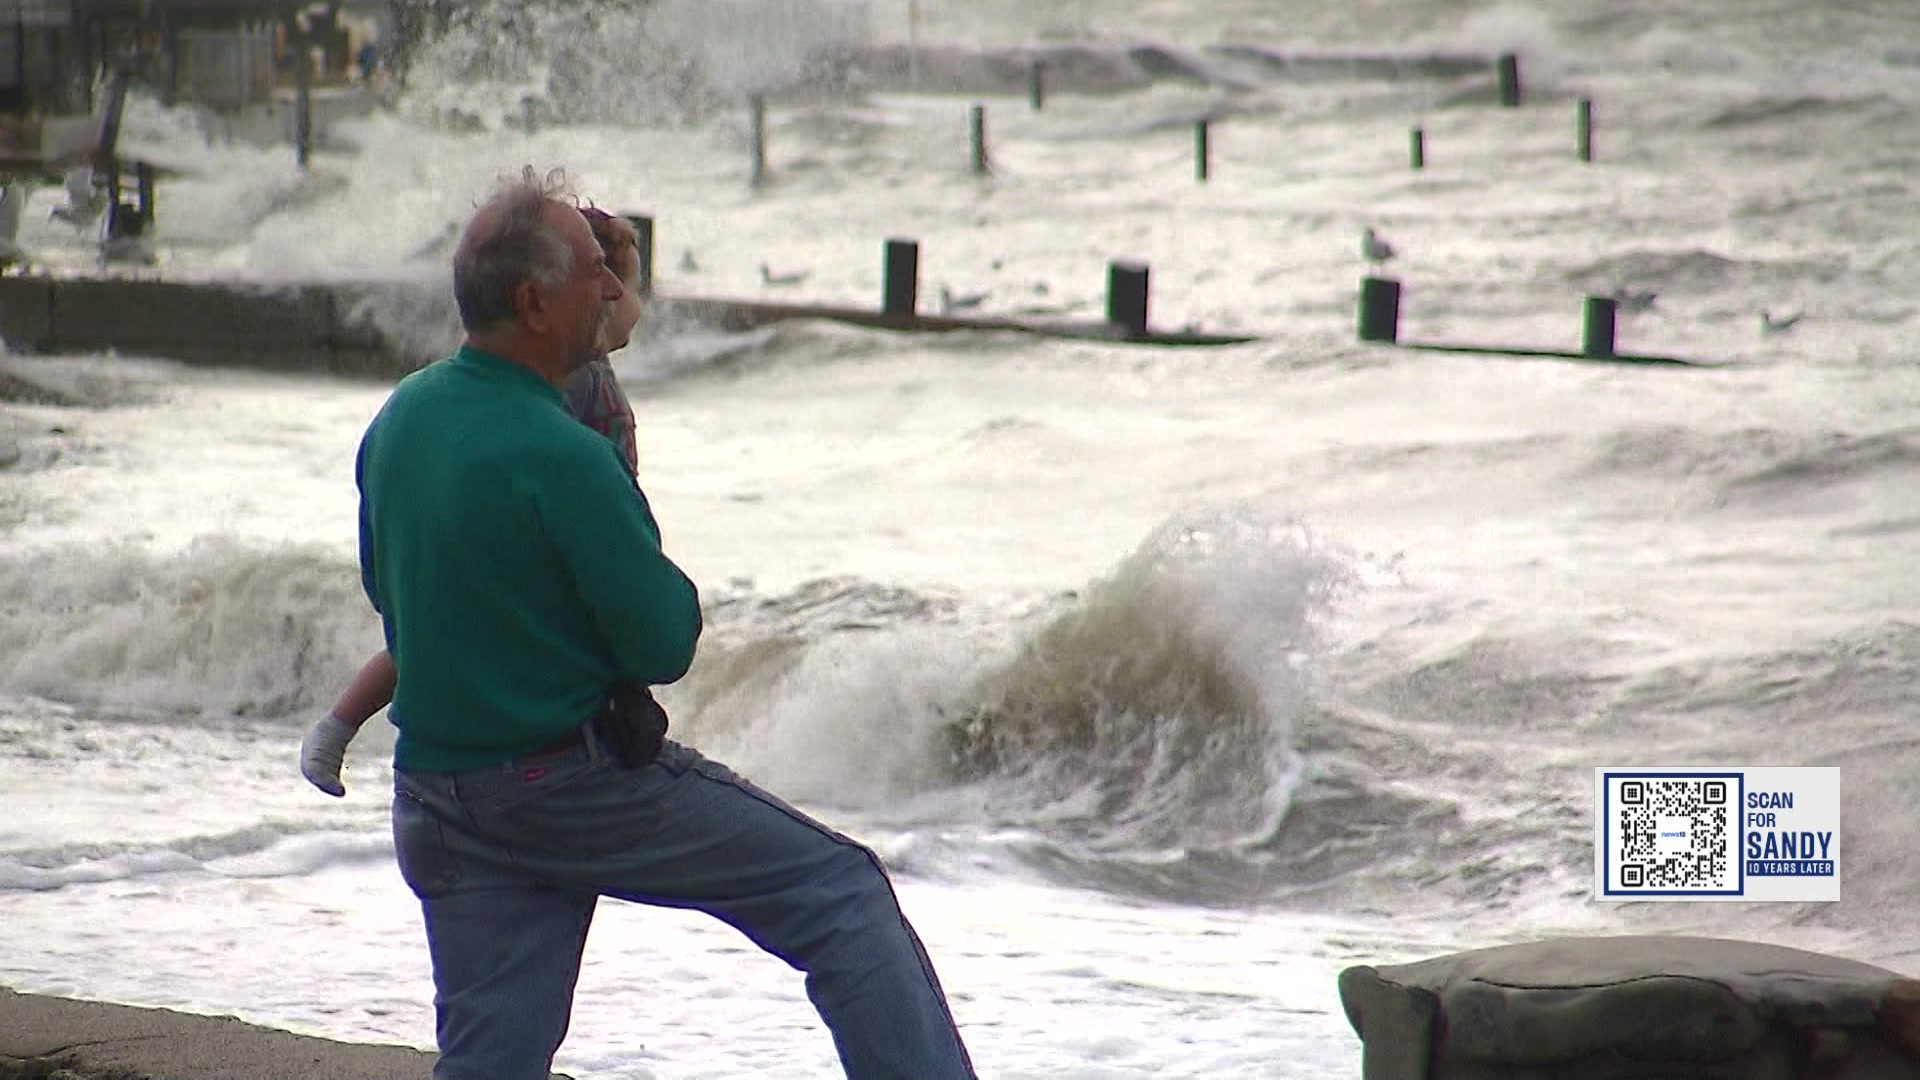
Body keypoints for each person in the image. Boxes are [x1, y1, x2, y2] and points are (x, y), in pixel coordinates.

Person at [347, 166, 976, 1080]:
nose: (611, 289)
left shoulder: (402, 416)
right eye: (592, 274)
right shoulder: (565, 453)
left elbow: (389, 596)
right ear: (533, 302)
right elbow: (664, 643)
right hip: (566, 786)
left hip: (440, 796)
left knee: (493, 1061)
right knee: (842, 894)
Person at [299, 205, 644, 795]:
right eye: (627, 286)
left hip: (490, 567)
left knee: (412, 648)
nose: (628, 299)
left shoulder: (453, 396)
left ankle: (336, 729)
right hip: (543, 562)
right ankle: (336, 730)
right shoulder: (581, 383)